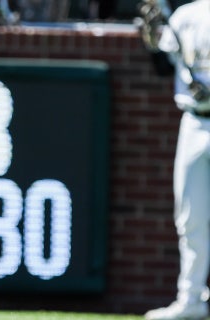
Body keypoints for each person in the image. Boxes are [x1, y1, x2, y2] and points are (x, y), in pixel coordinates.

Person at [137, 0, 210, 319]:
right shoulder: (186, 14)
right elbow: (165, 66)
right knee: (190, 215)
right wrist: (152, 44)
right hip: (194, 120)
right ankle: (191, 298)